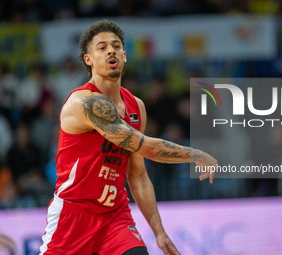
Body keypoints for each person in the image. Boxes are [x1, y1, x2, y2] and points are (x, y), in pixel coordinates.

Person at [39, 19, 217, 255]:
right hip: (74, 217)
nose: (110, 50)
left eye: (116, 46)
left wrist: (159, 231)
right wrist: (195, 154)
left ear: (124, 56)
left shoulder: (136, 106)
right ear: (88, 59)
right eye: (101, 47)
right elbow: (149, 148)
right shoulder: (84, 102)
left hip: (114, 216)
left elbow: (138, 175)